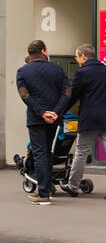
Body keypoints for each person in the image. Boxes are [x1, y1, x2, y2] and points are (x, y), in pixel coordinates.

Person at [56, 43, 106, 200]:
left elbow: (72, 96)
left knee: (80, 153)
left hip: (90, 119)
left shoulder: (82, 73)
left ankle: (73, 186)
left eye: (77, 56)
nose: (76, 59)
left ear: (83, 56)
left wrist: (60, 112)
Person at [15, 39, 69, 204]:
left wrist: (41, 112)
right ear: (44, 51)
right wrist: (55, 111)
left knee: (39, 154)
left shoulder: (23, 71)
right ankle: (47, 189)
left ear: (30, 54)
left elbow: (25, 95)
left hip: (36, 118)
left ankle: (44, 193)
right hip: (54, 118)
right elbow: (67, 92)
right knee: (47, 152)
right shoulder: (58, 69)